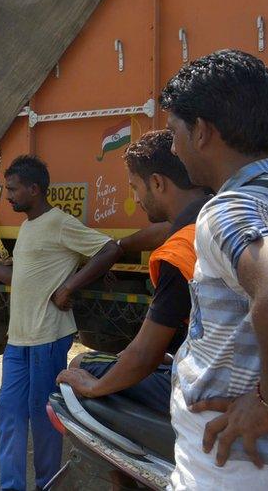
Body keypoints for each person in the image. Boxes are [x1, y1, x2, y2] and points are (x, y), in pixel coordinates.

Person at [160, 50, 268, 487]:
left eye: (174, 133)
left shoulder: (232, 208)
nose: (172, 148)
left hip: (239, 469)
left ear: (202, 132)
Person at [0, 155, 122, 491]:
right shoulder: (28, 226)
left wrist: (68, 287)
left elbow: (108, 250)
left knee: (42, 416)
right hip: (18, 340)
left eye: (14, 189)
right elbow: (14, 278)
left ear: (35, 189)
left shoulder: (59, 222)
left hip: (48, 337)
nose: (8, 196)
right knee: (9, 414)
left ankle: (46, 484)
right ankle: (12, 486)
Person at [56, 130, 210, 415]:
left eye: (135, 187)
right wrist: (121, 246)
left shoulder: (179, 253)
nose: (136, 199)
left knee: (82, 365)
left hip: (208, 389)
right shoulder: (218, 213)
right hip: (241, 376)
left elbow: (144, 356)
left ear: (157, 183)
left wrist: (93, 386)